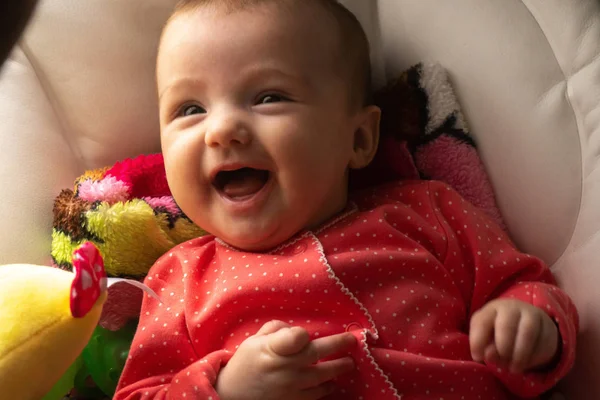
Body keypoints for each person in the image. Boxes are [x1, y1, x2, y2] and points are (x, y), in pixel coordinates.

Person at [114, 0, 578, 399]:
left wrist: (531, 324)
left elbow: (526, 284)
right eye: (190, 109)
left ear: (358, 139)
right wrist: (227, 387)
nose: (221, 130)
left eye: (269, 97)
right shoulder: (180, 278)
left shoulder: (428, 211)